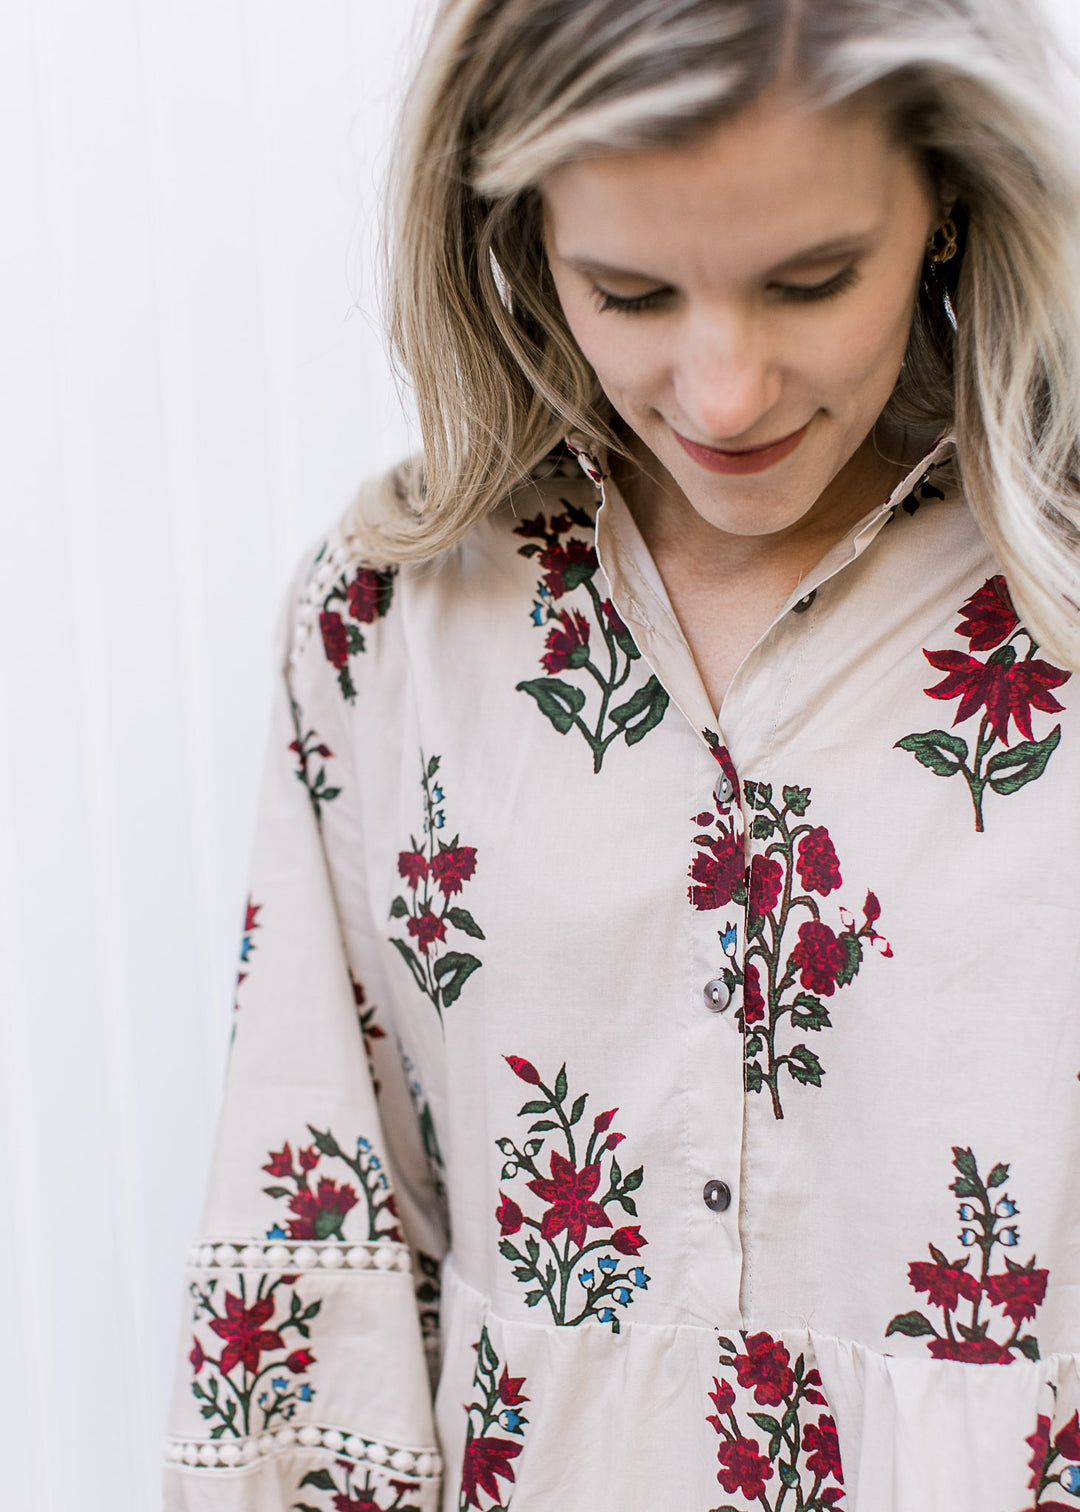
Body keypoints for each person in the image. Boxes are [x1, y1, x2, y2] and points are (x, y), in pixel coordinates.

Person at [164, 1, 1080, 1508]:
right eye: (633, 291)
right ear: (516, 234)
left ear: (951, 204)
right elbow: (315, 1234)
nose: (723, 393)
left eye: (810, 281)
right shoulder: (393, 619)